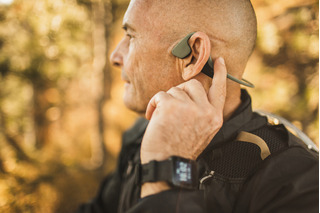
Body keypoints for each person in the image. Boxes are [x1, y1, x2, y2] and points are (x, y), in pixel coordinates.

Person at [77, 0, 319, 212]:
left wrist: (163, 175)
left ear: (192, 55)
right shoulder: (142, 132)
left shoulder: (297, 184)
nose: (115, 56)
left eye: (131, 36)